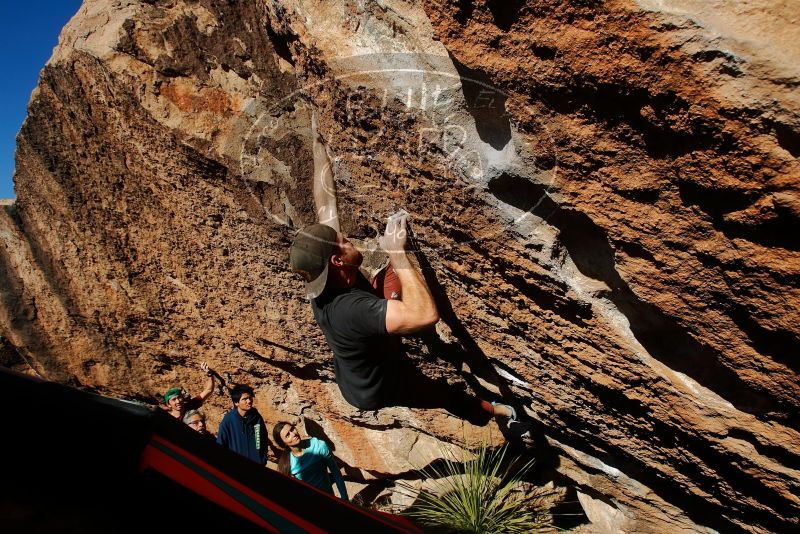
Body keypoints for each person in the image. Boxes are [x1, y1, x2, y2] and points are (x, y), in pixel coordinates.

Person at [288, 112, 519, 426]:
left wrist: (318, 144)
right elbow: (426, 317)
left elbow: (325, 206)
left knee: (391, 283)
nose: (348, 236)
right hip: (378, 387)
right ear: (337, 261)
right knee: (440, 393)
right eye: (343, 240)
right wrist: (396, 253)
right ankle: (498, 415)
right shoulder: (353, 310)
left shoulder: (326, 276)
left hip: (360, 360)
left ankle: (389, 333)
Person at [272, 421, 349, 501]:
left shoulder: (319, 446)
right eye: (288, 435)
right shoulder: (286, 464)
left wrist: (344, 498)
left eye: (292, 429)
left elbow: (335, 472)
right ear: (284, 443)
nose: (293, 434)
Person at [216, 384, 269, 465]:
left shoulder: (257, 417)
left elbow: (263, 439)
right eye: (245, 399)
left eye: (250, 397)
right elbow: (221, 443)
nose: (249, 401)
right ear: (236, 403)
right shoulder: (228, 420)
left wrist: (262, 459)